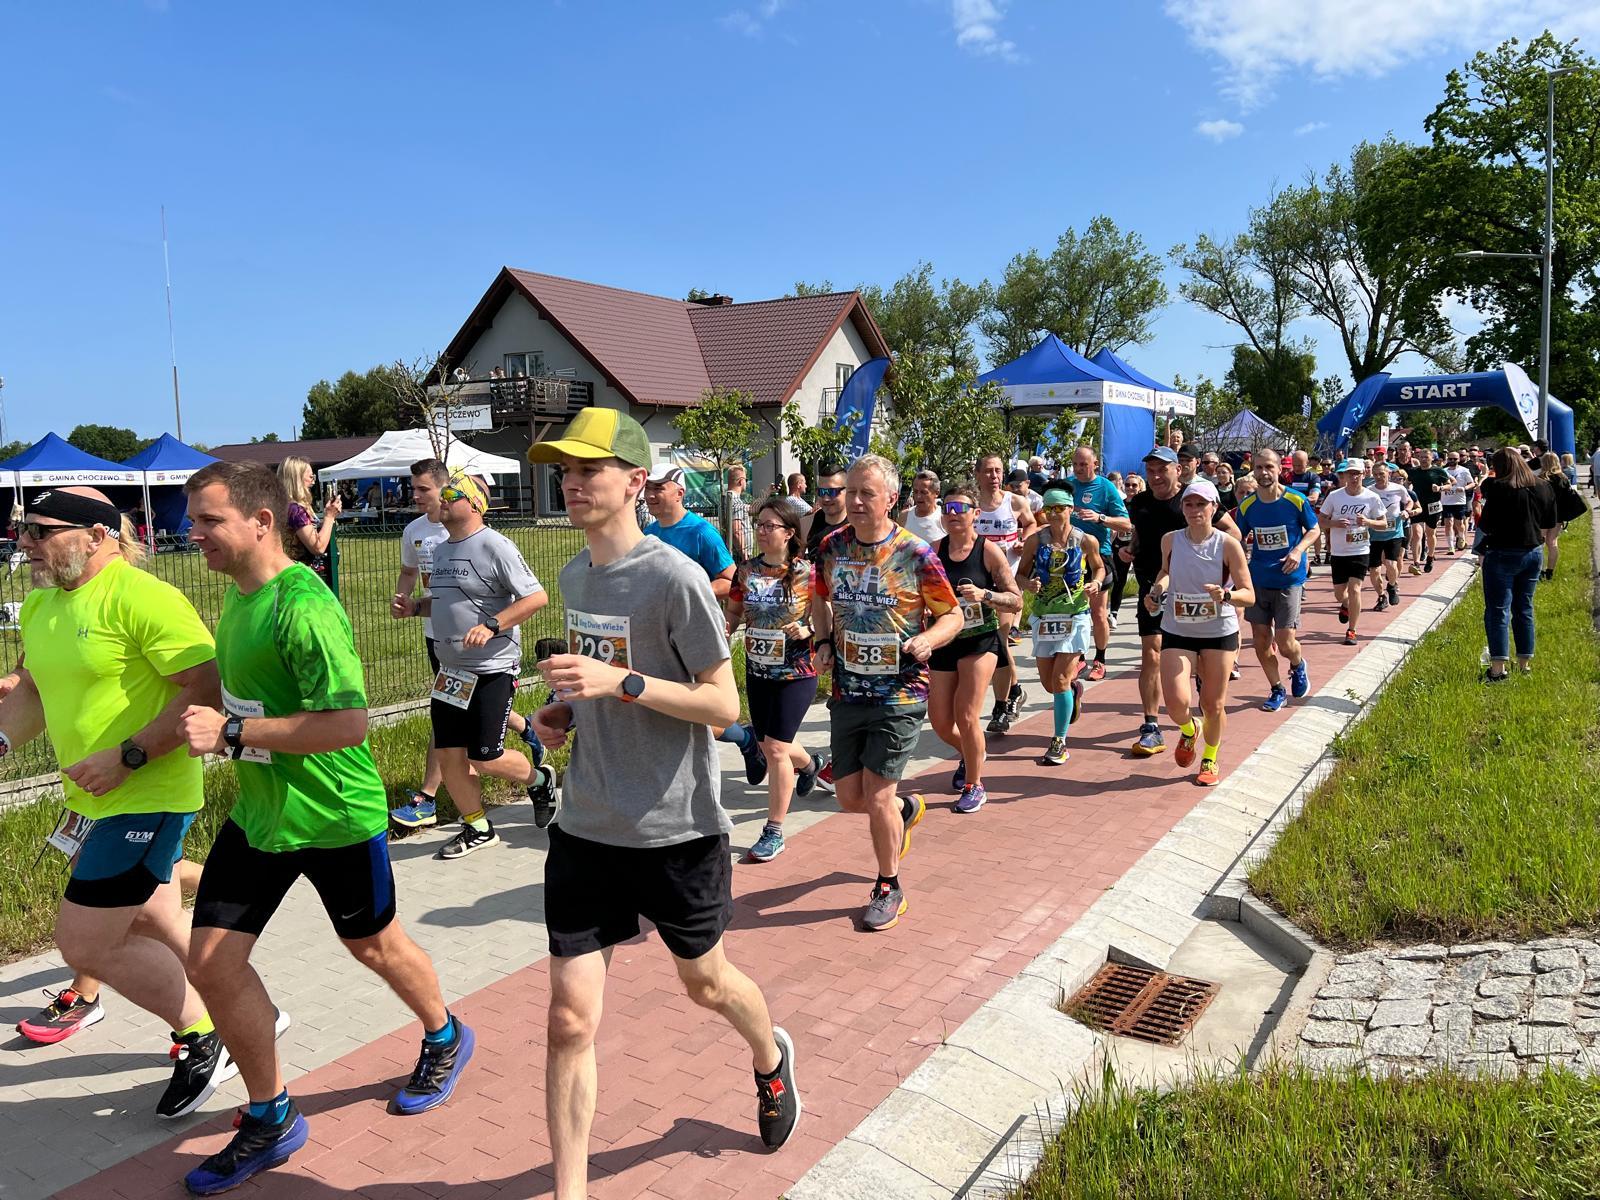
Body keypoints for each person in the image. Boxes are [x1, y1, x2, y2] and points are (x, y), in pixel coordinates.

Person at [525, 410, 801, 1199]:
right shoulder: (577, 576)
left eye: (591, 469)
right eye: (565, 470)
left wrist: (625, 685)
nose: (573, 482)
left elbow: (721, 706)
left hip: (676, 828)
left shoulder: (674, 578)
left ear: (636, 482)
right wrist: (567, 713)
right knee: (569, 1020)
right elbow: (601, 680)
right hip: (586, 826)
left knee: (707, 984)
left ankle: (771, 1057)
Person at [178, 462, 471, 1196]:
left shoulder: (302, 605)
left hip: (335, 816)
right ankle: (271, 1116)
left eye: (208, 520)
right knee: (210, 961)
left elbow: (348, 724)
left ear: (260, 522)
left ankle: (444, 1034)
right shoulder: (240, 597)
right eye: (194, 519)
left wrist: (233, 735)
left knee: (373, 945)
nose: (194, 533)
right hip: (261, 817)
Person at [0, 487, 232, 1117]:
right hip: (89, 799)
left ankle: (204, 1034)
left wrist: (129, 755)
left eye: (41, 531)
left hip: (147, 794)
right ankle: (248, 1009)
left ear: (99, 536)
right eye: (23, 529)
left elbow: (208, 686)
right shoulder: (45, 602)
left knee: (85, 944)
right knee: (155, 919)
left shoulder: (145, 597)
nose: (26, 543)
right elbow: (35, 691)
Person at [811, 454, 962, 931]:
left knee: (875, 796)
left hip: (900, 692)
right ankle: (904, 810)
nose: (853, 501)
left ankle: (887, 885)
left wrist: (928, 640)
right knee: (849, 797)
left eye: (865, 493)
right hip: (848, 689)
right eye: (847, 491)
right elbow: (820, 598)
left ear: (891, 500)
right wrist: (821, 641)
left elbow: (952, 615)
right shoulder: (831, 546)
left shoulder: (916, 553)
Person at [390, 471, 556, 846]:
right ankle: (479, 826)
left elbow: (536, 597)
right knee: (449, 756)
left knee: (485, 757)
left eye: (451, 494)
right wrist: (415, 607)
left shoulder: (495, 546)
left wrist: (493, 625)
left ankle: (540, 780)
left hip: (492, 668)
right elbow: (448, 602)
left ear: (474, 504)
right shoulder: (444, 549)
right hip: (451, 671)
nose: (442, 500)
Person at [726, 498, 825, 861]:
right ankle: (812, 765)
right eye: (760, 525)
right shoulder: (746, 571)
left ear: (788, 533)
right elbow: (735, 609)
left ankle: (774, 831)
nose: (762, 531)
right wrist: (728, 626)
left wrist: (810, 627)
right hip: (758, 670)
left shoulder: (807, 573)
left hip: (797, 672)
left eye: (770, 526)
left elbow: (828, 614)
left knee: (777, 749)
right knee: (771, 744)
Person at [1143, 479, 1255, 786]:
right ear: (1183, 508)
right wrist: (1156, 591)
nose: (1195, 510)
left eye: (1201, 504)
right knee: (1176, 702)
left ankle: (1210, 757)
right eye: (1189, 504)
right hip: (1178, 626)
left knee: (1213, 703)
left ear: (1214, 507)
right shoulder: (1171, 540)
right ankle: (1190, 730)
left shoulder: (1228, 544)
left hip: (1218, 630)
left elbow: (1249, 593)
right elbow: (1167, 572)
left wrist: (1227, 596)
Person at [928, 482, 1021, 812]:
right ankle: (972, 753)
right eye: (948, 509)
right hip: (944, 641)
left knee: (967, 715)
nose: (953, 515)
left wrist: (986, 596)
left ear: (975, 514)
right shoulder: (934, 550)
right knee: (940, 721)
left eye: (960, 509)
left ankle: (975, 784)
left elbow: (1015, 600)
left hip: (980, 641)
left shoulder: (988, 551)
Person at [1018, 487, 1104, 766]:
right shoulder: (1035, 541)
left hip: (1075, 614)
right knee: (1048, 683)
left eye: (1060, 508)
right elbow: (1019, 575)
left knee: (1059, 681)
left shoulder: (1084, 540)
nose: (1054, 514)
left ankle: (1059, 741)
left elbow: (1100, 567)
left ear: (1071, 509)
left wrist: (1096, 582)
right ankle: (1073, 693)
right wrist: (1028, 584)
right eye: (1049, 509)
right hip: (1044, 615)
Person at [1233, 449, 1318, 712]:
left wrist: (1297, 551)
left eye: (1269, 467)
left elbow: (1314, 530)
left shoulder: (1296, 500)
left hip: (1288, 578)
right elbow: (1236, 538)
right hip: (1258, 578)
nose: (1263, 473)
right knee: (1260, 640)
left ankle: (1297, 664)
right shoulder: (1248, 506)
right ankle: (1276, 688)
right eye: (1258, 468)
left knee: (1284, 642)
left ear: (1280, 469)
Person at [1476, 448, 1558, 681]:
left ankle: (1498, 669)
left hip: (1502, 552)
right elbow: (1550, 521)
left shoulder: (1500, 488)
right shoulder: (1544, 486)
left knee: (1498, 610)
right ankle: (1524, 664)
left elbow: (1487, 524)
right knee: (1524, 608)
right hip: (1533, 551)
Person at [973, 452, 1036, 731]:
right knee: (989, 643)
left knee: (1000, 640)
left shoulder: (1015, 502)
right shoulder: (972, 504)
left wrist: (1023, 540)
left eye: (998, 471)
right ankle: (1016, 690)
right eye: (988, 471)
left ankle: (1001, 706)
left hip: (1007, 586)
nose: (994, 476)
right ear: (977, 474)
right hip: (976, 584)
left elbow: (1033, 523)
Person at [1064, 446, 1131, 683]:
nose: (1079, 469)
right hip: (1068, 556)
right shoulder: (1068, 485)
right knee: (1072, 611)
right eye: (1075, 464)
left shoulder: (1106, 487)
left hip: (1098, 557)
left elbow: (1126, 524)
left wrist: (1100, 518)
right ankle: (1079, 658)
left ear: (1095, 464)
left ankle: (1100, 659)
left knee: (1097, 612)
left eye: (1084, 464)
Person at [1319, 459, 1388, 646]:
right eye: (1350, 473)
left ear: (1363, 474)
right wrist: (1335, 523)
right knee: (1339, 593)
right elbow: (1321, 520)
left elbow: (1384, 524)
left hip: (1360, 549)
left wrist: (1368, 522)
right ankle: (1345, 604)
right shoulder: (1334, 496)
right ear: (1344, 475)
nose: (1354, 476)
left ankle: (1352, 630)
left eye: (1357, 473)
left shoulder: (1372, 497)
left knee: (1355, 588)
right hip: (1339, 551)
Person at [276, 456, 340, 586]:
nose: (313, 481)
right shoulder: (295, 510)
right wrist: (329, 517)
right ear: (297, 479)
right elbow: (318, 547)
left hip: (291, 575)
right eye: (311, 477)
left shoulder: (283, 506)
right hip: (300, 579)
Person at [1366, 460, 1412, 612]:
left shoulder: (1398, 489)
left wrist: (1406, 511)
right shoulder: (1368, 490)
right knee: (1374, 570)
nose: (1379, 477)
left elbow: (1409, 502)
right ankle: (1381, 596)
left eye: (1382, 474)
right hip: (1374, 534)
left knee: (1391, 564)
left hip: (1394, 532)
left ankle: (1392, 586)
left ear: (1389, 474)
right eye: (1376, 474)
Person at [1538, 451, 1586, 581]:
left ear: (1544, 463)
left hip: (1543, 515)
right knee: (1552, 542)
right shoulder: (1563, 478)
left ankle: (1539, 570)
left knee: (1540, 542)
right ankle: (1549, 572)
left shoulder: (1541, 479)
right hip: (1558, 516)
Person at [1406, 447, 1451, 574]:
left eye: (1426, 457)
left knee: (1430, 533)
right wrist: (1408, 492)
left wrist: (1440, 488)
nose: (1424, 460)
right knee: (1417, 533)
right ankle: (1416, 563)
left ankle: (1430, 557)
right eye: (1421, 457)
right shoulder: (1413, 471)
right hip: (1418, 506)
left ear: (1432, 458)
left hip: (1433, 506)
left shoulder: (1438, 471)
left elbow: (1449, 485)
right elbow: (1407, 483)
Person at [803, 465, 849, 559]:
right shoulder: (805, 525)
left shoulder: (858, 526)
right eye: (821, 492)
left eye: (832, 492)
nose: (826, 498)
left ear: (848, 491)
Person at [1440, 451, 1475, 554]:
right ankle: (1450, 546)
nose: (1452, 461)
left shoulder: (1464, 470)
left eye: (1455, 459)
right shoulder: (1443, 471)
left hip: (1459, 501)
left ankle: (1461, 536)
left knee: (1459, 523)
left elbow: (1472, 483)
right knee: (1448, 523)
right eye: (1450, 459)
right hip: (1446, 500)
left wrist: (1464, 488)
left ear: (1458, 459)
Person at [900, 469, 946, 543]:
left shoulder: (944, 518)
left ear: (936, 493)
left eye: (923, 492)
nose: (918, 496)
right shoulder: (904, 516)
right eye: (915, 491)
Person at [726, 465, 753, 563]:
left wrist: (768, 492)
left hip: (731, 551)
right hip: (739, 555)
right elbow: (737, 531)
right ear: (741, 481)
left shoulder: (726, 499)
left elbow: (753, 509)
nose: (746, 482)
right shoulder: (736, 502)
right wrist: (744, 556)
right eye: (746, 479)